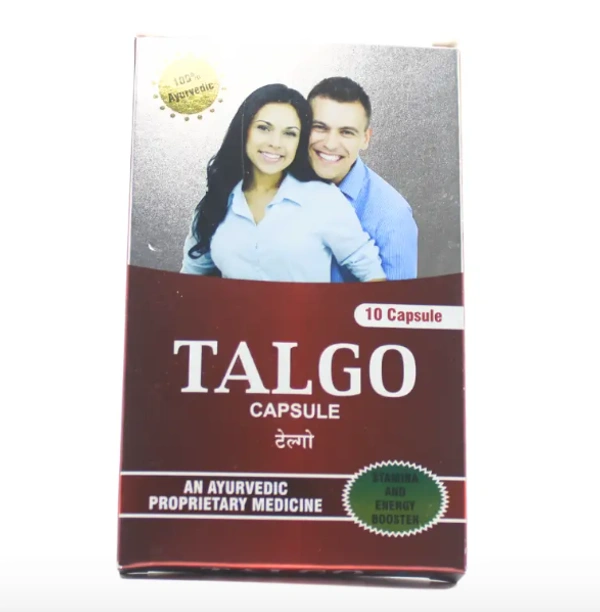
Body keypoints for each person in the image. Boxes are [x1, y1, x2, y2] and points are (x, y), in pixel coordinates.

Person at [181, 84, 385, 283]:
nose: (275, 143)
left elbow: (371, 272)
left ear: (300, 141)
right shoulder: (217, 201)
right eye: (264, 128)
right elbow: (190, 279)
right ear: (244, 130)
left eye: (289, 133)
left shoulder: (323, 198)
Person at [307, 77, 418, 282]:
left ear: (365, 139)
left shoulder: (393, 217)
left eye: (346, 132)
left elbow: (397, 301)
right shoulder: (281, 186)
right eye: (320, 127)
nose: (330, 144)